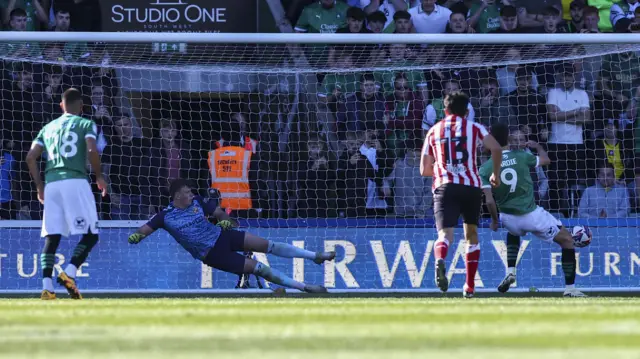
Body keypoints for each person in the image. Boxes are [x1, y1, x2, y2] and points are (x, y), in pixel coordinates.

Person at [127, 179, 335, 293]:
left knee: (267, 245)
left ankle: (315, 255)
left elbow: (217, 213)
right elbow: (143, 230)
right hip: (212, 254)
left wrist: (224, 220)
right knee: (259, 269)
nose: (192, 195)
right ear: (178, 196)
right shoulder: (165, 217)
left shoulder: (198, 201)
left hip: (222, 236)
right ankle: (305, 287)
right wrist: (136, 237)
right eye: (188, 193)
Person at [479, 123, 585, 297]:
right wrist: (538, 147)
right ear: (508, 140)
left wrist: (495, 221)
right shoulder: (521, 156)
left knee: (514, 232)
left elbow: (489, 201)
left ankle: (511, 270)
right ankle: (570, 289)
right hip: (531, 216)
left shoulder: (484, 169)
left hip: (507, 219)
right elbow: (547, 160)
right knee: (567, 241)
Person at [25, 88, 108, 300]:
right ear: (81, 106)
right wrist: (99, 175)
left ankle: (46, 288)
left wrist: (39, 186)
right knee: (91, 234)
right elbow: (91, 150)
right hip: (75, 181)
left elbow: (30, 157)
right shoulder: (86, 124)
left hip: (52, 184)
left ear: (61, 105)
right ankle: (69, 273)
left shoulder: (48, 128)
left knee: (52, 237)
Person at [420, 91, 503, 298]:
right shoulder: (474, 127)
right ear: (467, 111)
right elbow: (496, 148)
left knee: (445, 235)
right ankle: (469, 287)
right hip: (471, 187)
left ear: (445, 110)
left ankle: (440, 259)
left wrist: (444, 170)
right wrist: (495, 174)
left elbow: (424, 169)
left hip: (445, 186)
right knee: (471, 235)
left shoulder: (433, 131)